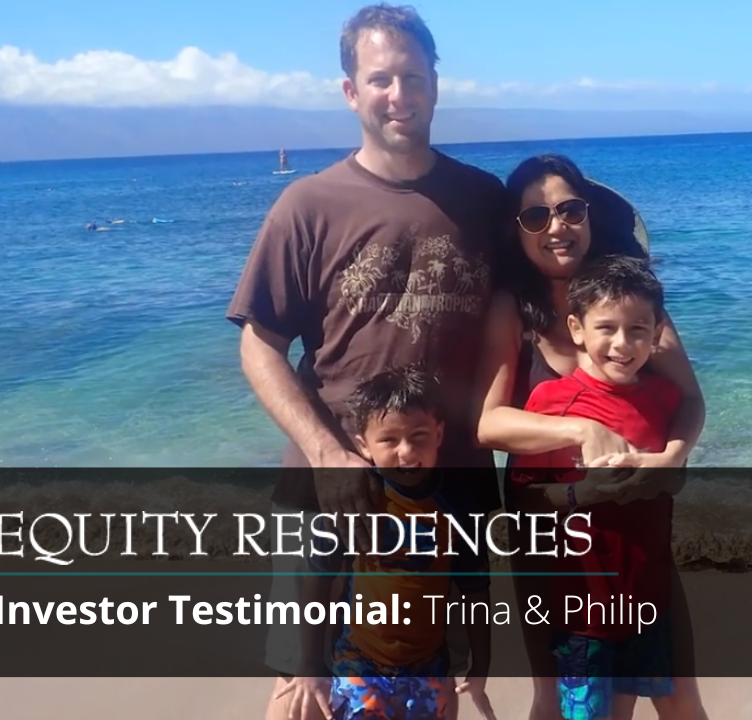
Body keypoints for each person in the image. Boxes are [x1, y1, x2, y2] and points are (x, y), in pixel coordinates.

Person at [224, 4, 505, 717]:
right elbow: (259, 343)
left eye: (412, 77)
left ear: (435, 84)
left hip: (451, 492)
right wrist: (325, 452)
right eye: (380, 79)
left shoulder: (484, 199)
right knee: (305, 692)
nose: (398, 94)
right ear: (351, 91)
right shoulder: (308, 205)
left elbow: (544, 300)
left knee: (437, 689)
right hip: (331, 492)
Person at [469, 153, 709, 720]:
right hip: (548, 537)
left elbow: (690, 400)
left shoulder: (628, 300)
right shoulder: (513, 308)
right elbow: (488, 423)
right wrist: (581, 429)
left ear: (589, 215)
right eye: (536, 217)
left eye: (570, 210)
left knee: (678, 697)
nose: (557, 227)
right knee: (558, 700)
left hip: (638, 538)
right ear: (516, 230)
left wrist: (674, 456)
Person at [507, 255, 694, 720]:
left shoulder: (664, 399)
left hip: (646, 603)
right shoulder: (551, 403)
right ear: (577, 329)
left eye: (638, 329)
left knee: (624, 710)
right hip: (580, 612)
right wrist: (582, 494)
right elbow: (528, 499)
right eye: (606, 328)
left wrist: (657, 468)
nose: (622, 343)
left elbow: (676, 478)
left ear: (657, 332)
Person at [277, 364, 497, 720]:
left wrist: (480, 666)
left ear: (439, 434)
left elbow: (475, 590)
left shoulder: (457, 506)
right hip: (358, 664)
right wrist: (310, 663)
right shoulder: (356, 503)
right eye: (389, 440)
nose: (406, 452)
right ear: (363, 445)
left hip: (428, 667)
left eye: (419, 436)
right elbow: (317, 580)